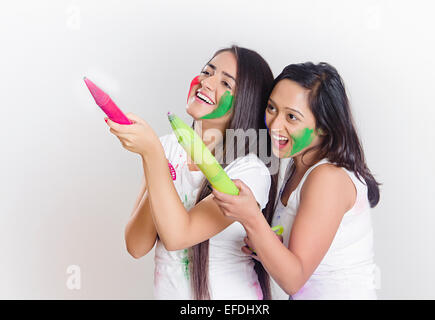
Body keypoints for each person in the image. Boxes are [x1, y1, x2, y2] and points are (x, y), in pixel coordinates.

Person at [105, 46, 278, 299]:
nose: (206, 82)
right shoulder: (165, 147)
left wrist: (153, 154)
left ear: (247, 101)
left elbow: (178, 236)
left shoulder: (250, 171)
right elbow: (136, 245)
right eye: (206, 72)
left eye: (225, 83)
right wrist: (158, 159)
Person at [212, 62, 381, 299]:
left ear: (324, 127)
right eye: (271, 108)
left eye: (291, 117)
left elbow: (294, 279)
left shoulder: (328, 178)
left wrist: (251, 218)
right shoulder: (298, 167)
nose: (275, 124)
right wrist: (269, 244)